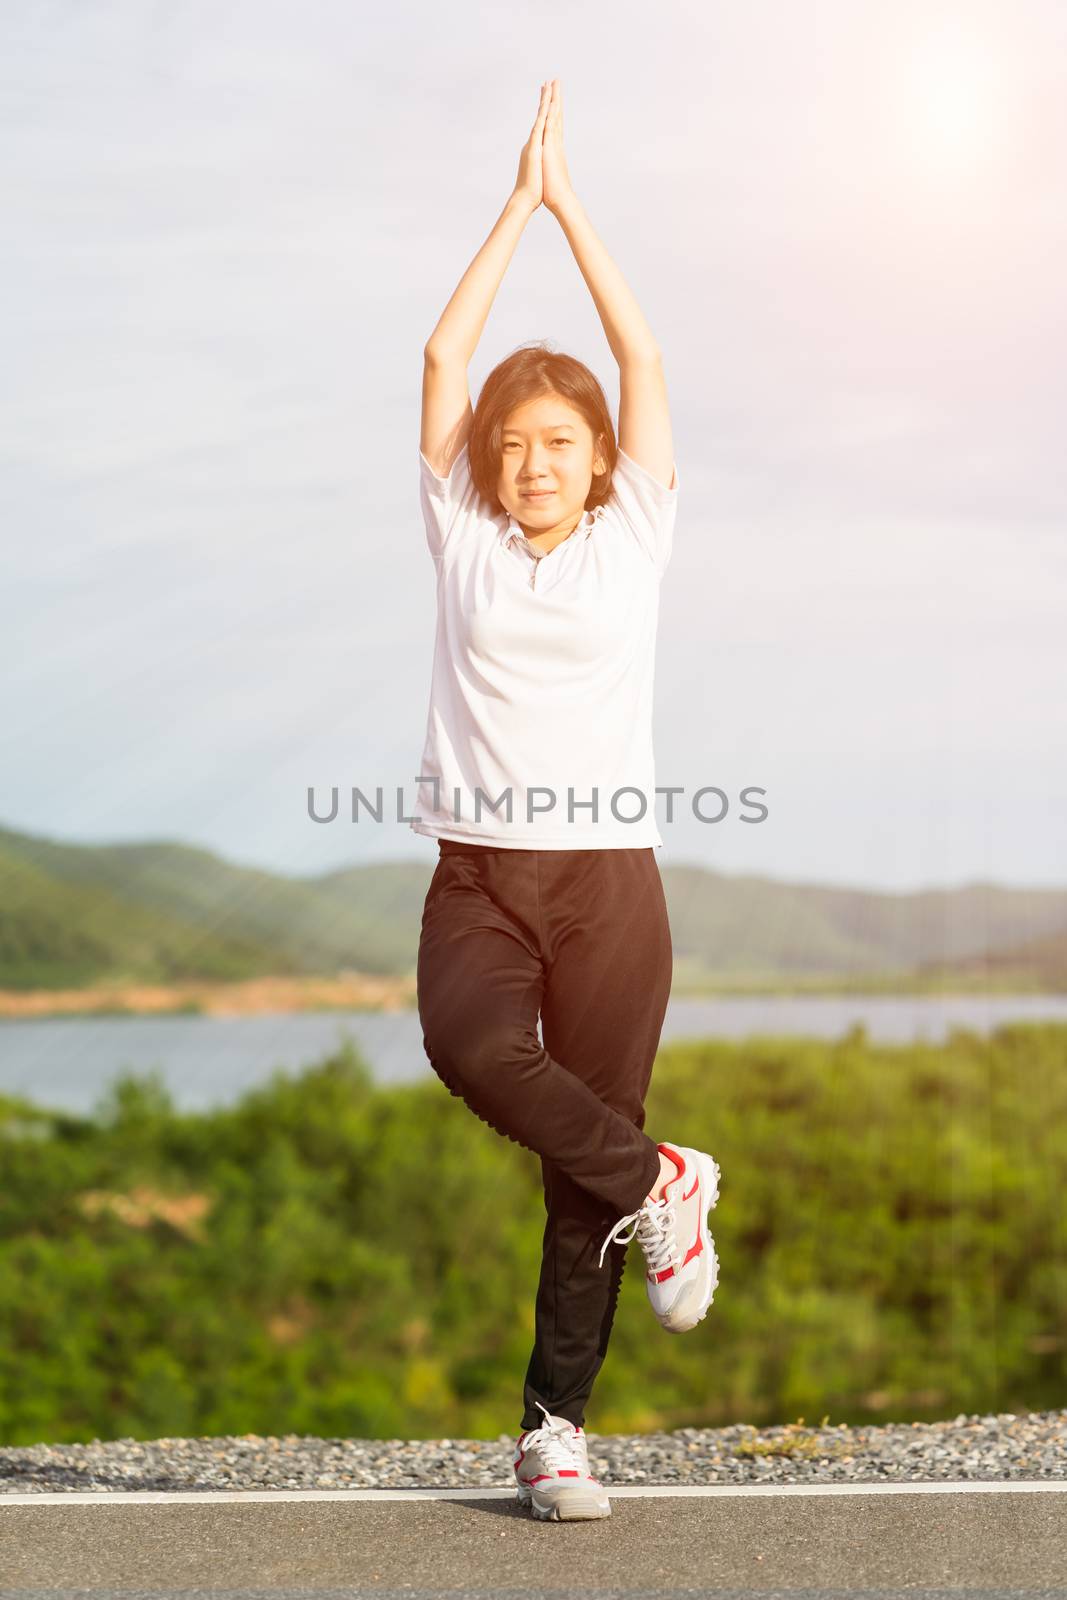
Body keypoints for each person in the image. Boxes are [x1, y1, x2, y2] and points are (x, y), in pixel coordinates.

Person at [414, 79, 722, 1523]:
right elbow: (441, 347)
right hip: (483, 875)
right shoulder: (464, 536)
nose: (533, 465)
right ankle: (667, 1176)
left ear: (599, 457)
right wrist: (511, 207)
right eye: (513, 444)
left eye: (558, 444)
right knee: (474, 1052)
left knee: (572, 1181)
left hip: (610, 883)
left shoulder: (635, 539)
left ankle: (555, 1433)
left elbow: (642, 348)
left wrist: (575, 208)